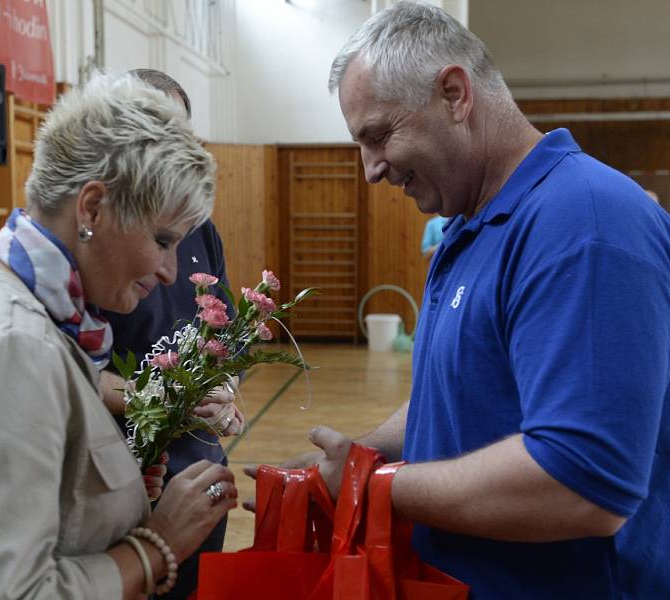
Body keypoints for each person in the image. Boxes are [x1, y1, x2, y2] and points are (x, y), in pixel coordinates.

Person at [264, 3, 670, 598]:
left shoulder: (584, 223)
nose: (371, 170)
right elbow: (460, 389)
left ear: (455, 93)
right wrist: (362, 454)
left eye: (377, 136)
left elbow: (583, 482)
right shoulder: (471, 225)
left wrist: (376, 486)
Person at [0, 71, 238, 599]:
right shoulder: (12, 344)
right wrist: (157, 544)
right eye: (161, 239)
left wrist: (110, 499)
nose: (169, 271)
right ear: (91, 208)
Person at [99, 69, 243, 600]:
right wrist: (167, 398)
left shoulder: (200, 225)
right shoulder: (90, 246)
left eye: (177, 137)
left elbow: (224, 331)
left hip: (198, 469)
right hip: (124, 475)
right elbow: (75, 377)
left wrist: (227, 394)